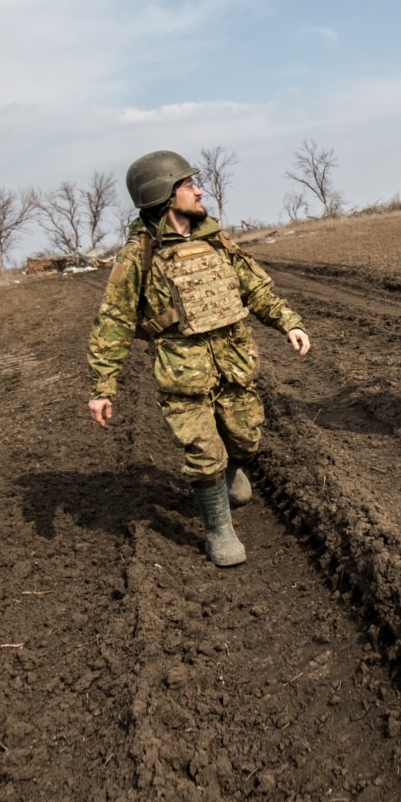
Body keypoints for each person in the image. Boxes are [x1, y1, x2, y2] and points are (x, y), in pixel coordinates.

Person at [87, 150, 311, 568]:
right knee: (203, 451)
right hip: (182, 373)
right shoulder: (138, 256)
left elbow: (255, 288)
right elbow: (113, 322)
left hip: (234, 363)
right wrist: (103, 387)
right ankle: (219, 529)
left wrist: (289, 323)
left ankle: (232, 468)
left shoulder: (216, 240)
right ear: (165, 196)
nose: (199, 190)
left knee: (246, 437)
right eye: (189, 185)